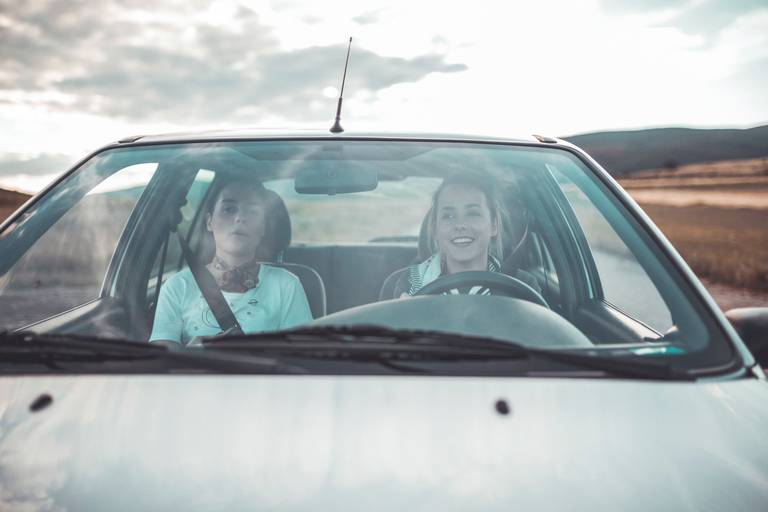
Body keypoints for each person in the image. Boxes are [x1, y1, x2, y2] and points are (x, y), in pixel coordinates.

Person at [149, 177, 312, 346]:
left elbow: (301, 352)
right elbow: (161, 357)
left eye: (252, 211)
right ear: (209, 222)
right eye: (229, 209)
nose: (240, 218)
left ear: (263, 227)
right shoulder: (178, 286)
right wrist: (192, 352)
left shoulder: (286, 285)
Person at [393, 172, 506, 297]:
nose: (460, 225)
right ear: (435, 229)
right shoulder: (410, 284)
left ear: (493, 225)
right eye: (449, 216)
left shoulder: (521, 283)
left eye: (473, 213)